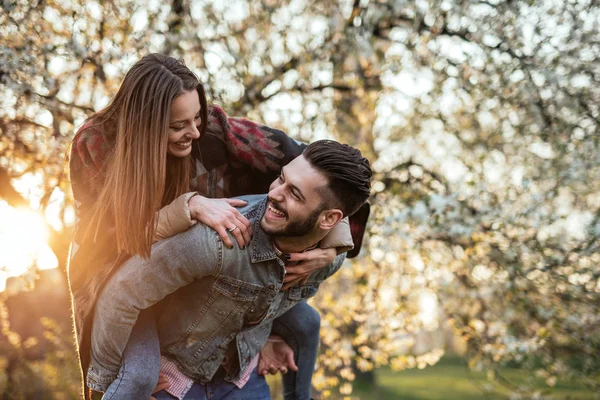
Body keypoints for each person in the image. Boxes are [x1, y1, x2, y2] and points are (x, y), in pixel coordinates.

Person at [69, 54, 368, 400]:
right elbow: (105, 242)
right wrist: (189, 207)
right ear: (144, 123)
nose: (194, 132)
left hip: (220, 272)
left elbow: (328, 177)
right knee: (137, 376)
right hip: (122, 270)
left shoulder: (215, 131)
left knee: (306, 323)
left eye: (197, 117)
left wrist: (331, 245)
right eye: (178, 125)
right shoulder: (96, 144)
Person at [89, 140, 372, 400]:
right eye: (281, 179)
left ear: (330, 220)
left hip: (239, 374)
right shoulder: (217, 242)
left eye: (294, 194)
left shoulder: (328, 259)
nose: (273, 194)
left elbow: (281, 299)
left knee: (309, 321)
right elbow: (121, 292)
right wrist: (109, 381)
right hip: (173, 375)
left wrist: (270, 336)